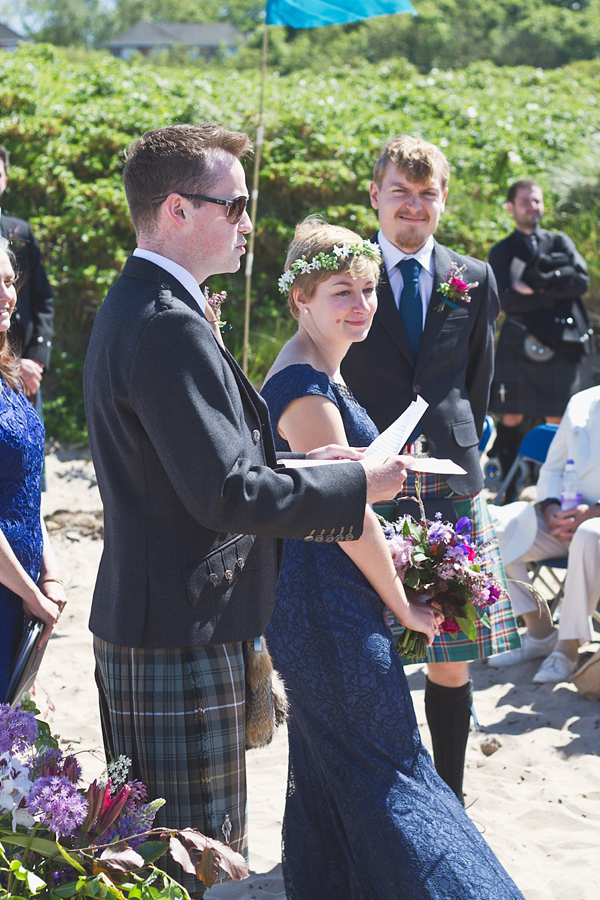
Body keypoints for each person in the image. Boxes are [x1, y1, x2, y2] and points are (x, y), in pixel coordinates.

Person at [82, 124, 413, 896]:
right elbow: (225, 494)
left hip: (162, 619)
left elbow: (207, 469)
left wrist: (304, 466)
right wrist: (358, 485)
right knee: (192, 864)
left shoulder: (151, 301)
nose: (246, 223)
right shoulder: (167, 322)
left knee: (163, 854)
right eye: (233, 206)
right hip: (178, 631)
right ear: (176, 211)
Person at [261, 217, 523, 899]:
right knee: (392, 768)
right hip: (322, 607)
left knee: (336, 776)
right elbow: (348, 520)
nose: (361, 304)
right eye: (341, 291)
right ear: (300, 299)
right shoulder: (306, 389)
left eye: (369, 289)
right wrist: (405, 599)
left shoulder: (321, 370)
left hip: (331, 600)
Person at [341, 134, 520, 805]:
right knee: (373, 644)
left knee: (451, 646)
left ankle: (451, 794)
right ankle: (385, 793)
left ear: (442, 200)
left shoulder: (472, 278)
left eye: (427, 194)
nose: (413, 207)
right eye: (400, 193)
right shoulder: (345, 274)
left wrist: (458, 446)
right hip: (370, 476)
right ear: (375, 196)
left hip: (451, 479)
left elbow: (477, 380)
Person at [489, 385, 600, 684]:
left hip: (593, 526)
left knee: (590, 533)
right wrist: (550, 507)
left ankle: (568, 649)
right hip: (563, 520)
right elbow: (552, 468)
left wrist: (593, 512)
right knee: (494, 524)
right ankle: (540, 633)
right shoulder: (582, 401)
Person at [487, 179, 592, 488]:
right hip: (518, 340)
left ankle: (551, 485)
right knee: (510, 414)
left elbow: (580, 282)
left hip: (561, 342)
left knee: (557, 415)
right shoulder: (503, 250)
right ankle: (508, 480)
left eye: (536, 201)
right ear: (511, 207)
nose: (533, 207)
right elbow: (505, 298)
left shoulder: (560, 241)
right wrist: (554, 292)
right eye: (525, 202)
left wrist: (533, 288)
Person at [0, 238, 66, 703]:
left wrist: (50, 572)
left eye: (9, 282)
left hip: (19, 587)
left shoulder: (10, 372)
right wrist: (31, 594)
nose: (7, 296)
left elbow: (23, 489)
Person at [0, 146, 55, 399]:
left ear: (6, 180)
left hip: (27, 369)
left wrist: (35, 359)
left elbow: (43, 298)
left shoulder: (21, 231)